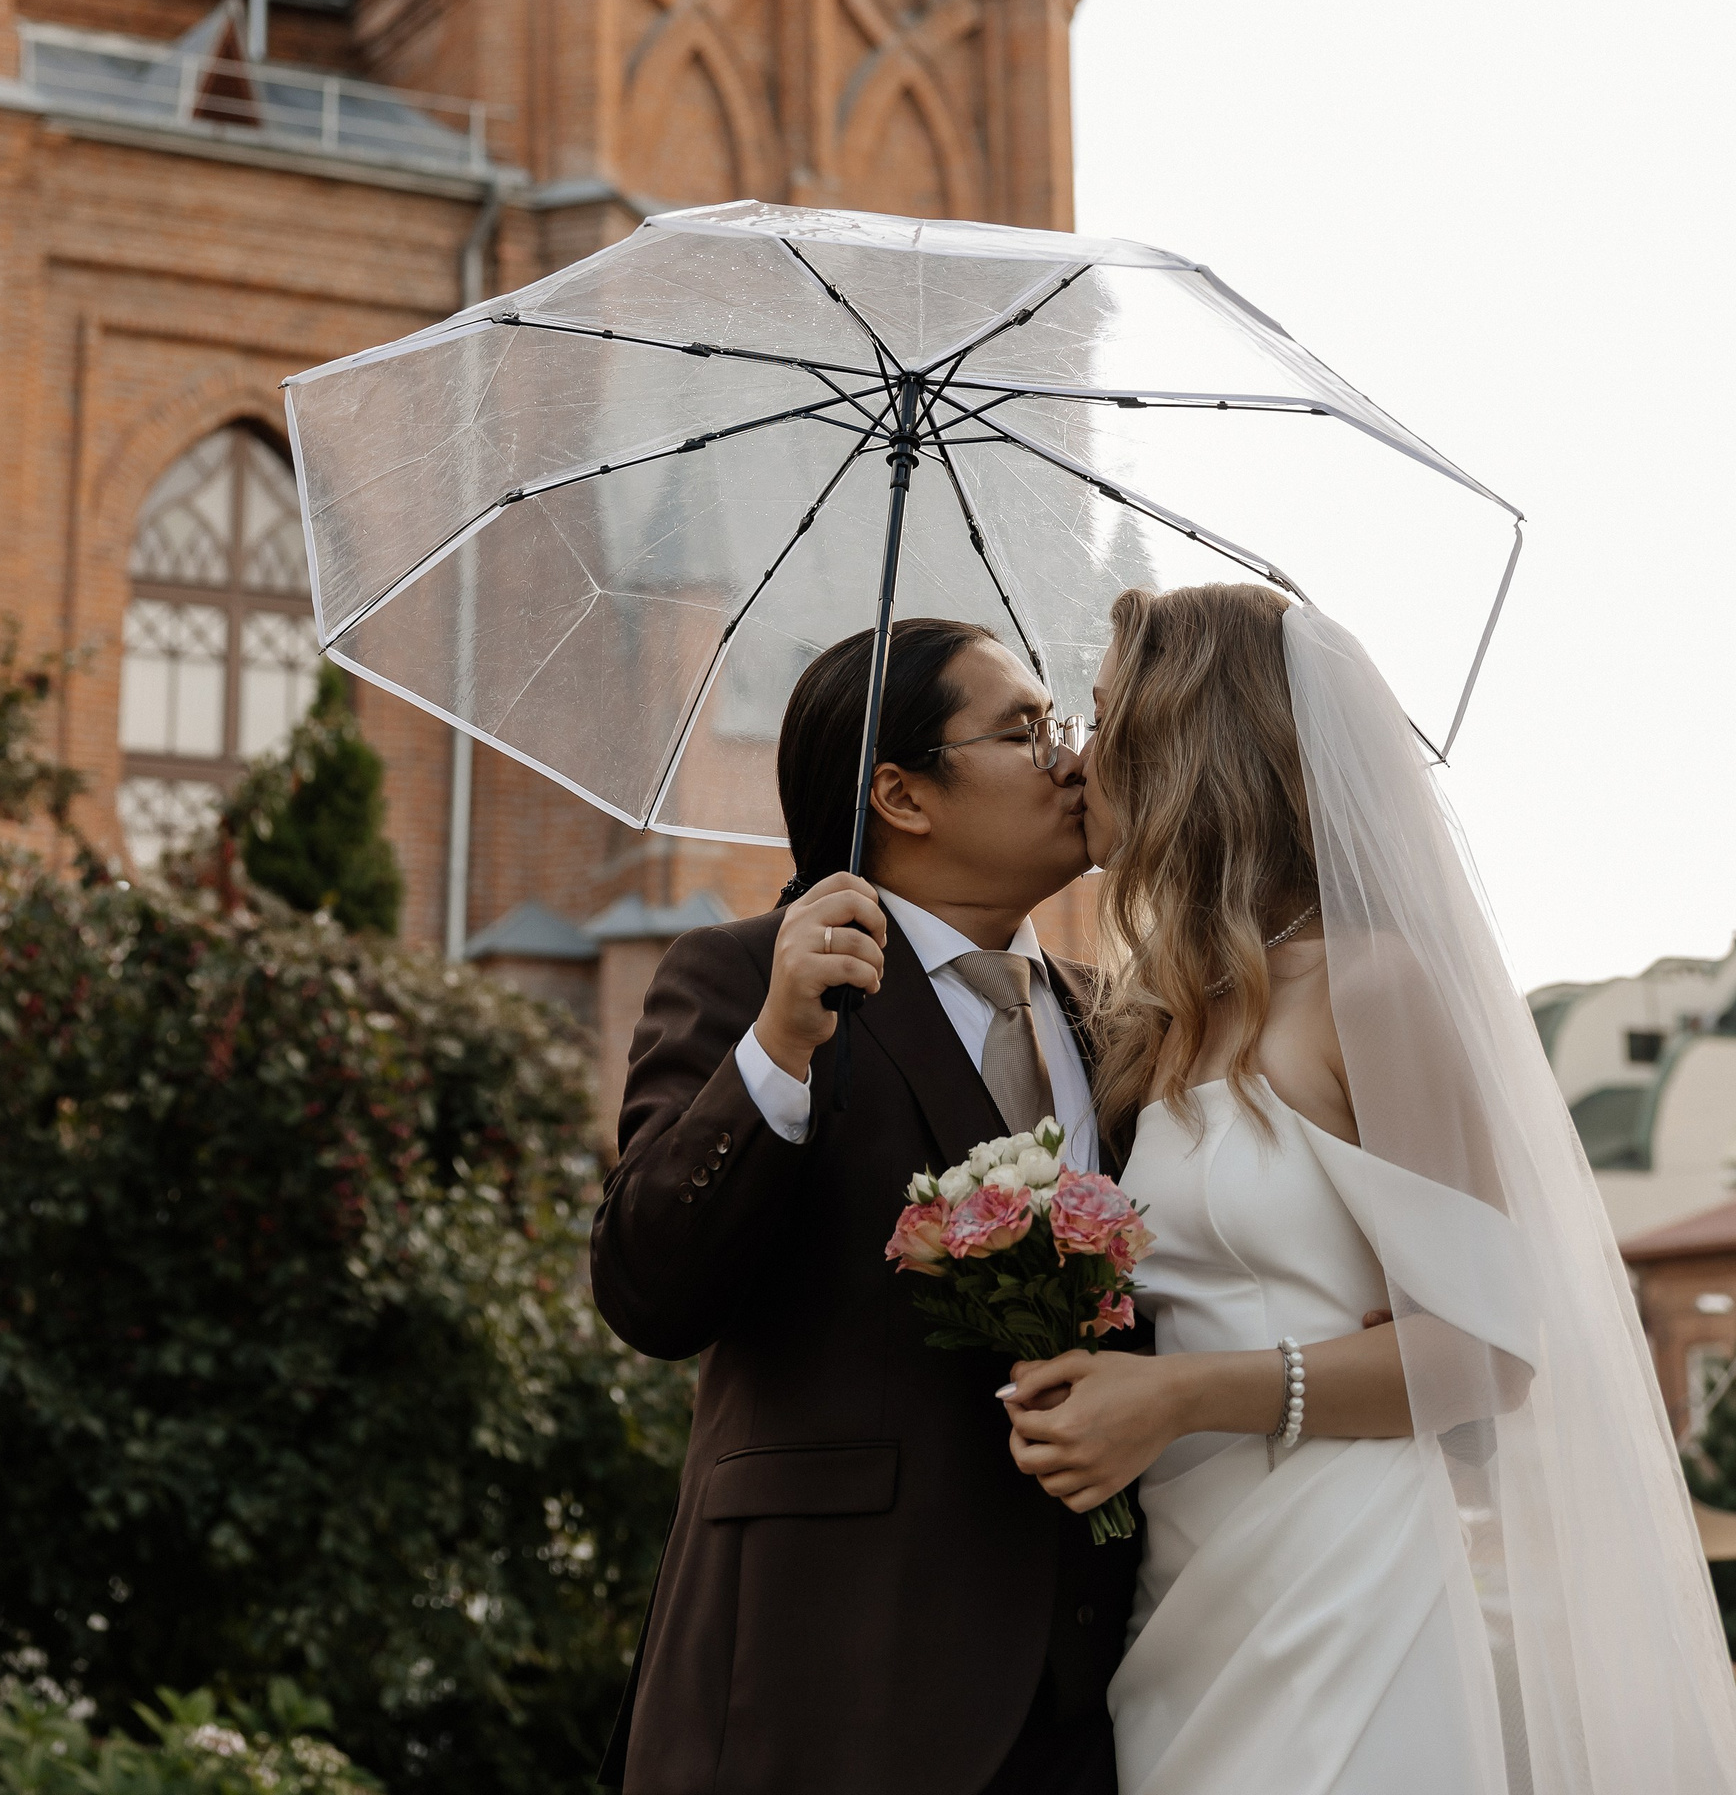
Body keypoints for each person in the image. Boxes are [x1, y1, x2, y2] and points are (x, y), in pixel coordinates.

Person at [999, 584, 1736, 1794]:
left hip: (1340, 1572)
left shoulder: (1372, 988)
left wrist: (1180, 1395)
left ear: (1188, 746)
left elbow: (1488, 1353)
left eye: (1102, 714)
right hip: (1181, 1581)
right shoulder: (1155, 1021)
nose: (1077, 758)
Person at [591, 616, 1133, 1795]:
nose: (1071, 761)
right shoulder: (748, 978)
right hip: (818, 1681)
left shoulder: (1124, 1023)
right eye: (1024, 732)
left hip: (1087, 1698)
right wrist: (780, 1045)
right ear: (902, 793)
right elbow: (648, 1289)